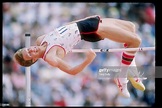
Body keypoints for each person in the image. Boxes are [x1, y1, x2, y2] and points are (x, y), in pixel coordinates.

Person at [13, 15, 145, 98]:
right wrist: (88, 60)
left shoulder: (40, 40)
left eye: (28, 49)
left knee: (131, 27)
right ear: (34, 60)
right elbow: (72, 71)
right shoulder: (51, 57)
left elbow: (66, 26)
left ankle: (131, 71)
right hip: (90, 31)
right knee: (136, 41)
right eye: (30, 54)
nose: (31, 49)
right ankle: (122, 78)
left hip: (87, 22)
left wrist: (86, 18)